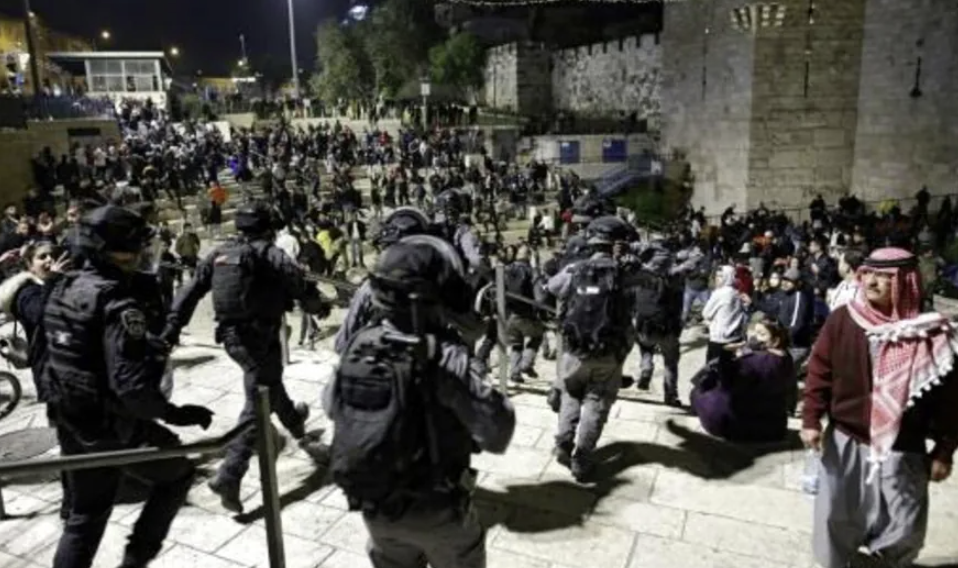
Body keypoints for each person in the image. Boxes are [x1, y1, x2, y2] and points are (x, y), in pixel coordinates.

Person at [41, 205, 213, 568]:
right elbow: (131, 388)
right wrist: (175, 414)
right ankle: (136, 560)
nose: (138, 255)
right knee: (177, 475)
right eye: (132, 247)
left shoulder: (62, 288)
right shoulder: (118, 303)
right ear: (113, 251)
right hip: (111, 426)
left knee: (85, 515)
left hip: (70, 419)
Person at [325, 240, 515, 568]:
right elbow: (497, 433)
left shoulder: (359, 344)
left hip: (378, 509)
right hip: (437, 511)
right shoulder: (446, 356)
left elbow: (331, 406)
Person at [164, 200, 330, 513]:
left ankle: (295, 423)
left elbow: (190, 289)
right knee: (256, 405)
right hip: (259, 337)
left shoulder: (220, 253)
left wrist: (173, 326)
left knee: (269, 383)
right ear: (268, 227)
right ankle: (230, 473)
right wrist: (317, 306)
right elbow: (296, 281)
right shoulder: (268, 252)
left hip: (232, 337)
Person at [803, 247, 958, 568]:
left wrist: (945, 450)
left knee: (904, 527)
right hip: (847, 437)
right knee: (836, 516)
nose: (871, 282)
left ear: (905, 282)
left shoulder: (931, 333)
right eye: (868, 273)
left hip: (903, 447)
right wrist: (811, 419)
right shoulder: (844, 319)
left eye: (883, 277)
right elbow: (820, 369)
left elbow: (951, 400)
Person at [547, 215, 637, 481]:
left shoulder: (576, 268)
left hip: (575, 349)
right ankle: (582, 460)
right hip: (609, 351)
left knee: (570, 394)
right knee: (596, 403)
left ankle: (563, 443)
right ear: (616, 242)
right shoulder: (625, 271)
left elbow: (552, 288)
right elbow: (654, 280)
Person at [0, 241, 71, 517]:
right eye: (42, 257)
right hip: (52, 375)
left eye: (53, 255)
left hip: (70, 371)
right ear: (30, 265)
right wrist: (54, 280)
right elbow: (42, 314)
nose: (50, 260)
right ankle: (71, 501)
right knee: (67, 438)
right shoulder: (25, 292)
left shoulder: (54, 284)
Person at [690, 319, 796, 442]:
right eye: (755, 333)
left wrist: (727, 353)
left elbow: (727, 383)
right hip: (774, 427)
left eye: (762, 334)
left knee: (698, 392)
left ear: (776, 340)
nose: (755, 338)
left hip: (738, 425)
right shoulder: (786, 358)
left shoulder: (753, 361)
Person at [702, 265, 746, 364]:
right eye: (717, 276)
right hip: (735, 336)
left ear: (729, 277)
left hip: (720, 339)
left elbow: (705, 313)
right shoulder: (736, 292)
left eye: (721, 276)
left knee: (714, 370)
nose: (718, 279)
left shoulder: (720, 293)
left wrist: (710, 321)